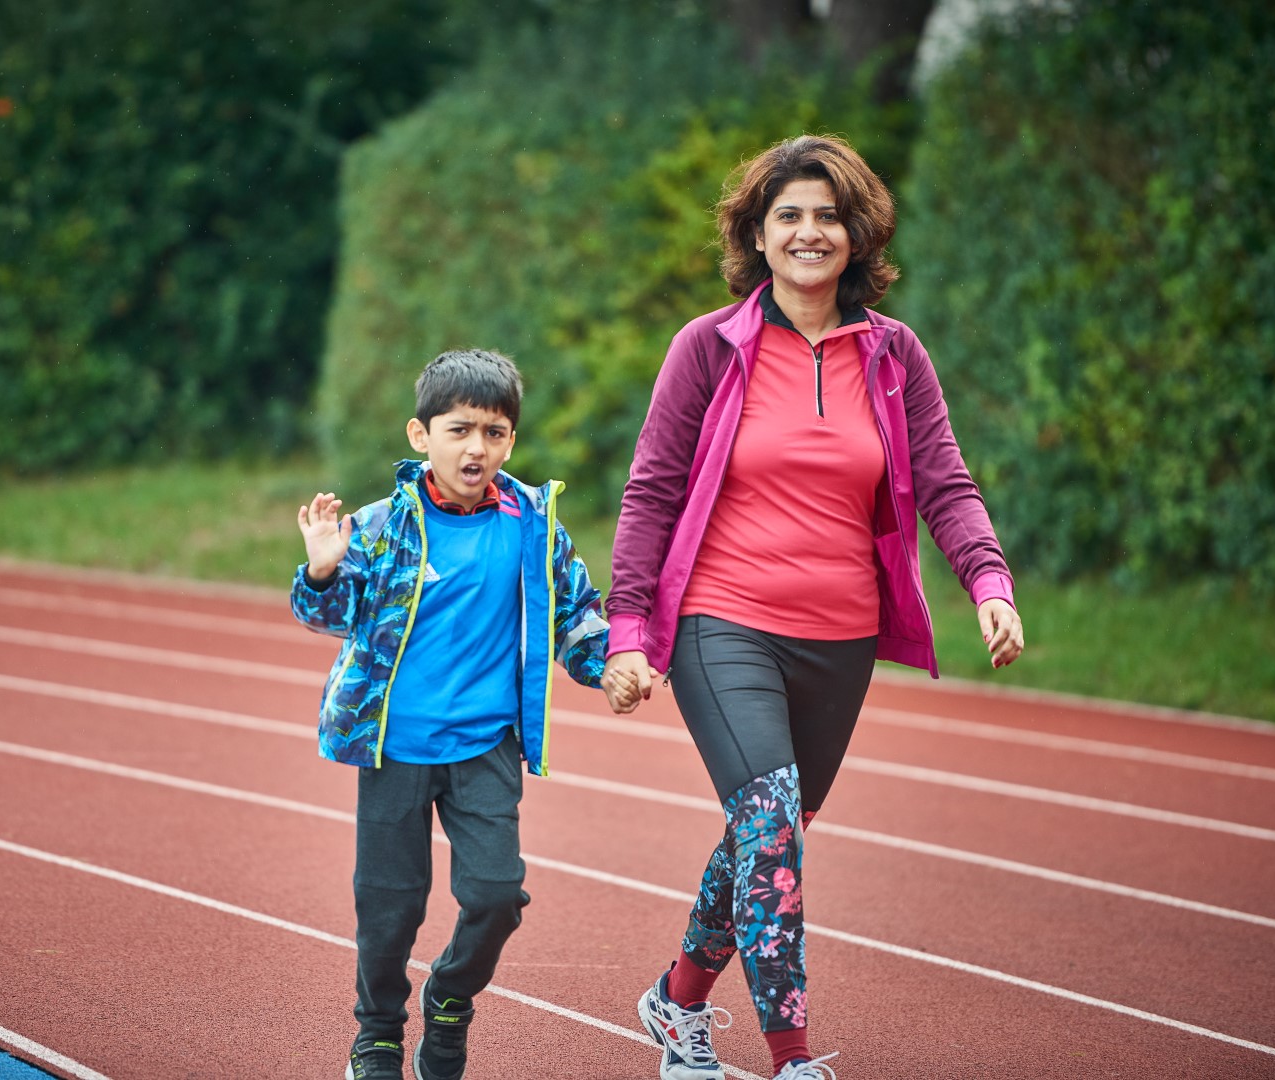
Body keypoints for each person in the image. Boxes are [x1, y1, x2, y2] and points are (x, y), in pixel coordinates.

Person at [603, 134, 1025, 1080]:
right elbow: (652, 493)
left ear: (856, 234)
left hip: (840, 638)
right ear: (756, 235)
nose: (808, 231)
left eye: (828, 215)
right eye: (787, 214)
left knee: (771, 836)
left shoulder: (895, 355)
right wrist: (629, 632)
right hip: (722, 623)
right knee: (770, 825)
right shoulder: (708, 348)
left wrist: (989, 584)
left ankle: (676, 1000)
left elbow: (946, 483)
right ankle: (791, 1058)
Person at [292, 348, 636, 1080]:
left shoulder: (533, 524)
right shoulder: (381, 525)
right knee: (390, 907)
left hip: (486, 746)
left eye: (494, 432)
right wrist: (322, 569)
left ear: (511, 440)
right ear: (421, 436)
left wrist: (606, 664)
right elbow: (333, 615)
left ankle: (449, 999)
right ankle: (378, 1036)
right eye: (459, 430)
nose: (476, 448)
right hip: (394, 747)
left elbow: (575, 611)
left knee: (496, 895)